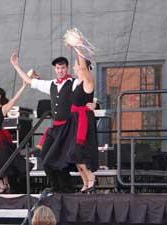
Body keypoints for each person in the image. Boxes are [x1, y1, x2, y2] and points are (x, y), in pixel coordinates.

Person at [11, 54, 75, 193]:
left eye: (63, 68)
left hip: (67, 128)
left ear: (67, 68)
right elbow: (29, 81)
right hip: (55, 127)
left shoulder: (73, 83)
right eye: (58, 68)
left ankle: (66, 189)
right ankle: (57, 187)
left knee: (60, 160)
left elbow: (86, 89)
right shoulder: (51, 84)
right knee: (45, 157)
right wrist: (16, 66)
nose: (60, 70)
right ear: (55, 69)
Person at [61, 44, 99, 193]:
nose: (75, 66)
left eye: (76, 64)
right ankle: (85, 183)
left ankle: (91, 179)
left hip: (83, 121)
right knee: (73, 155)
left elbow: (84, 68)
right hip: (75, 121)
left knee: (78, 153)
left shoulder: (88, 82)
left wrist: (77, 47)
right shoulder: (76, 83)